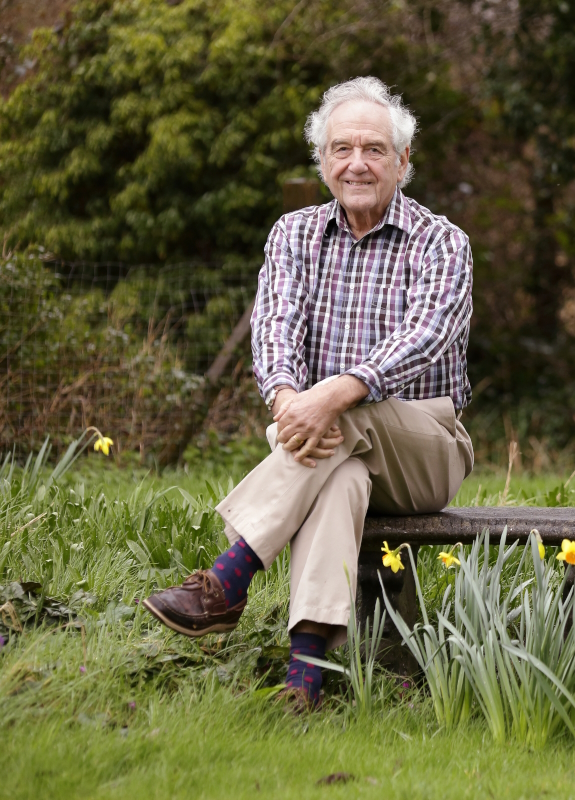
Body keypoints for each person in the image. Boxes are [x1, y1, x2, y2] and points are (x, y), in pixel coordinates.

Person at [142, 77, 474, 710]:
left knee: (353, 418)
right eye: (341, 148)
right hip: (321, 442)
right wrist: (289, 399)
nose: (357, 163)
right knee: (341, 476)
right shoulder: (293, 236)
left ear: (404, 162)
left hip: (426, 445)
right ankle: (306, 684)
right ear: (322, 162)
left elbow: (426, 337)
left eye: (375, 149)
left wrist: (333, 397)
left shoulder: (442, 242)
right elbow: (273, 332)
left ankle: (228, 577)